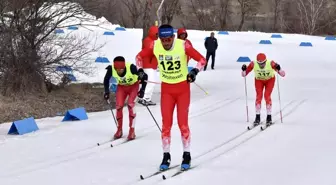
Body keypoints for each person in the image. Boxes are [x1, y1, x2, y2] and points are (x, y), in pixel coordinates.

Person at [135, 24, 206, 171]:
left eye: (168, 39)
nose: (166, 43)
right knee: (166, 125)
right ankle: (166, 156)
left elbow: (202, 60)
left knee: (182, 124)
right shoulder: (155, 45)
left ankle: (186, 154)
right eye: (163, 40)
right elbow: (139, 57)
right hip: (167, 90)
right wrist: (140, 71)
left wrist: (194, 72)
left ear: (173, 37)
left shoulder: (183, 45)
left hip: (182, 90)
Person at [103, 56, 148, 140]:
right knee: (119, 106)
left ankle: (132, 131)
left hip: (133, 87)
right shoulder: (111, 69)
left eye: (121, 69)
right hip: (121, 87)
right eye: (117, 69)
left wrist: (142, 90)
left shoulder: (131, 68)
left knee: (131, 104)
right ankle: (119, 130)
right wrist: (106, 92)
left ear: (124, 67)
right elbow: (106, 80)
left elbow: (145, 76)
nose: (119, 71)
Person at [241, 53, 286, 125]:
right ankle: (257, 117)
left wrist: (279, 68)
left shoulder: (271, 63)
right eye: (259, 63)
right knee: (259, 96)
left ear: (265, 61)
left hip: (270, 80)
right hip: (259, 80)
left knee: (267, 96)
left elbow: (283, 74)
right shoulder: (253, 64)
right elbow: (244, 74)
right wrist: (244, 69)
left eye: (263, 63)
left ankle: (269, 117)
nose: (261, 65)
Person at [137, 25, 159, 106]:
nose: (158, 36)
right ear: (153, 33)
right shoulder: (148, 40)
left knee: (151, 82)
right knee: (150, 82)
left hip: (152, 64)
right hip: (148, 64)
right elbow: (151, 50)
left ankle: (146, 98)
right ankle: (144, 98)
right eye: (156, 34)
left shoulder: (154, 41)